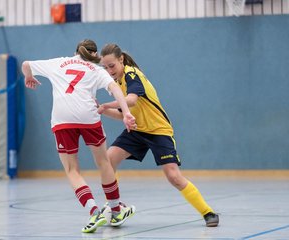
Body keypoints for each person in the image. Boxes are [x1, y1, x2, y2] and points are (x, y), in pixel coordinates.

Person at [98, 43, 219, 227]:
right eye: (105, 67)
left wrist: (107, 104)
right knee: (109, 159)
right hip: (137, 130)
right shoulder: (116, 83)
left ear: (121, 59)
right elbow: (123, 114)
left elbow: (131, 100)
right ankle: (116, 207)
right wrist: (102, 110)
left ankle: (207, 212)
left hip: (158, 131)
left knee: (173, 176)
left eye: (111, 66)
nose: (109, 70)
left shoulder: (132, 74)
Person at [21, 40, 136, 233]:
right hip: (88, 115)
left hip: (62, 118)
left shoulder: (59, 62)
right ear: (94, 53)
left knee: (72, 169)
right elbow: (115, 89)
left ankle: (94, 211)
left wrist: (29, 77)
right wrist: (126, 113)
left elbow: (25, 64)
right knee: (103, 163)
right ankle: (116, 210)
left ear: (75, 52)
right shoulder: (96, 69)